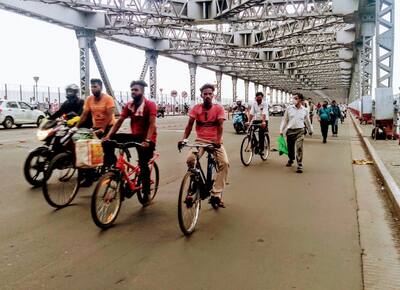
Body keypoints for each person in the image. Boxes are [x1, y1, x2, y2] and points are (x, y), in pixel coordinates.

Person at [103, 80, 157, 204]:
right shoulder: (129, 105)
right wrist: (109, 135)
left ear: (142, 91)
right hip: (135, 136)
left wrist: (148, 140)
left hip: (148, 139)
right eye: (132, 89)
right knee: (107, 142)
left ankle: (146, 194)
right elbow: (119, 121)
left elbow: (152, 124)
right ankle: (112, 168)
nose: (133, 92)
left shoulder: (150, 105)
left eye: (136, 90)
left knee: (143, 165)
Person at [178, 83, 229, 208]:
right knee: (190, 160)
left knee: (224, 163)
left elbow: (220, 126)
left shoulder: (219, 108)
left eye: (210, 94)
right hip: (199, 141)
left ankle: (216, 194)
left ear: (213, 95)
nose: (207, 96)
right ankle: (197, 185)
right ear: (201, 95)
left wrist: (217, 140)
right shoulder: (196, 108)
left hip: (214, 142)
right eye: (205, 94)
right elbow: (189, 126)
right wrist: (183, 139)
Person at [280, 93, 313, 173]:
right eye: (293, 98)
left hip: (300, 131)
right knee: (290, 148)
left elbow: (307, 121)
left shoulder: (305, 110)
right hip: (290, 131)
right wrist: (281, 130)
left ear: (301, 100)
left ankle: (299, 164)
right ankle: (291, 159)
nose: (294, 100)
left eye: (296, 98)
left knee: (299, 148)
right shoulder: (289, 108)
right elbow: (285, 120)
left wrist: (310, 130)